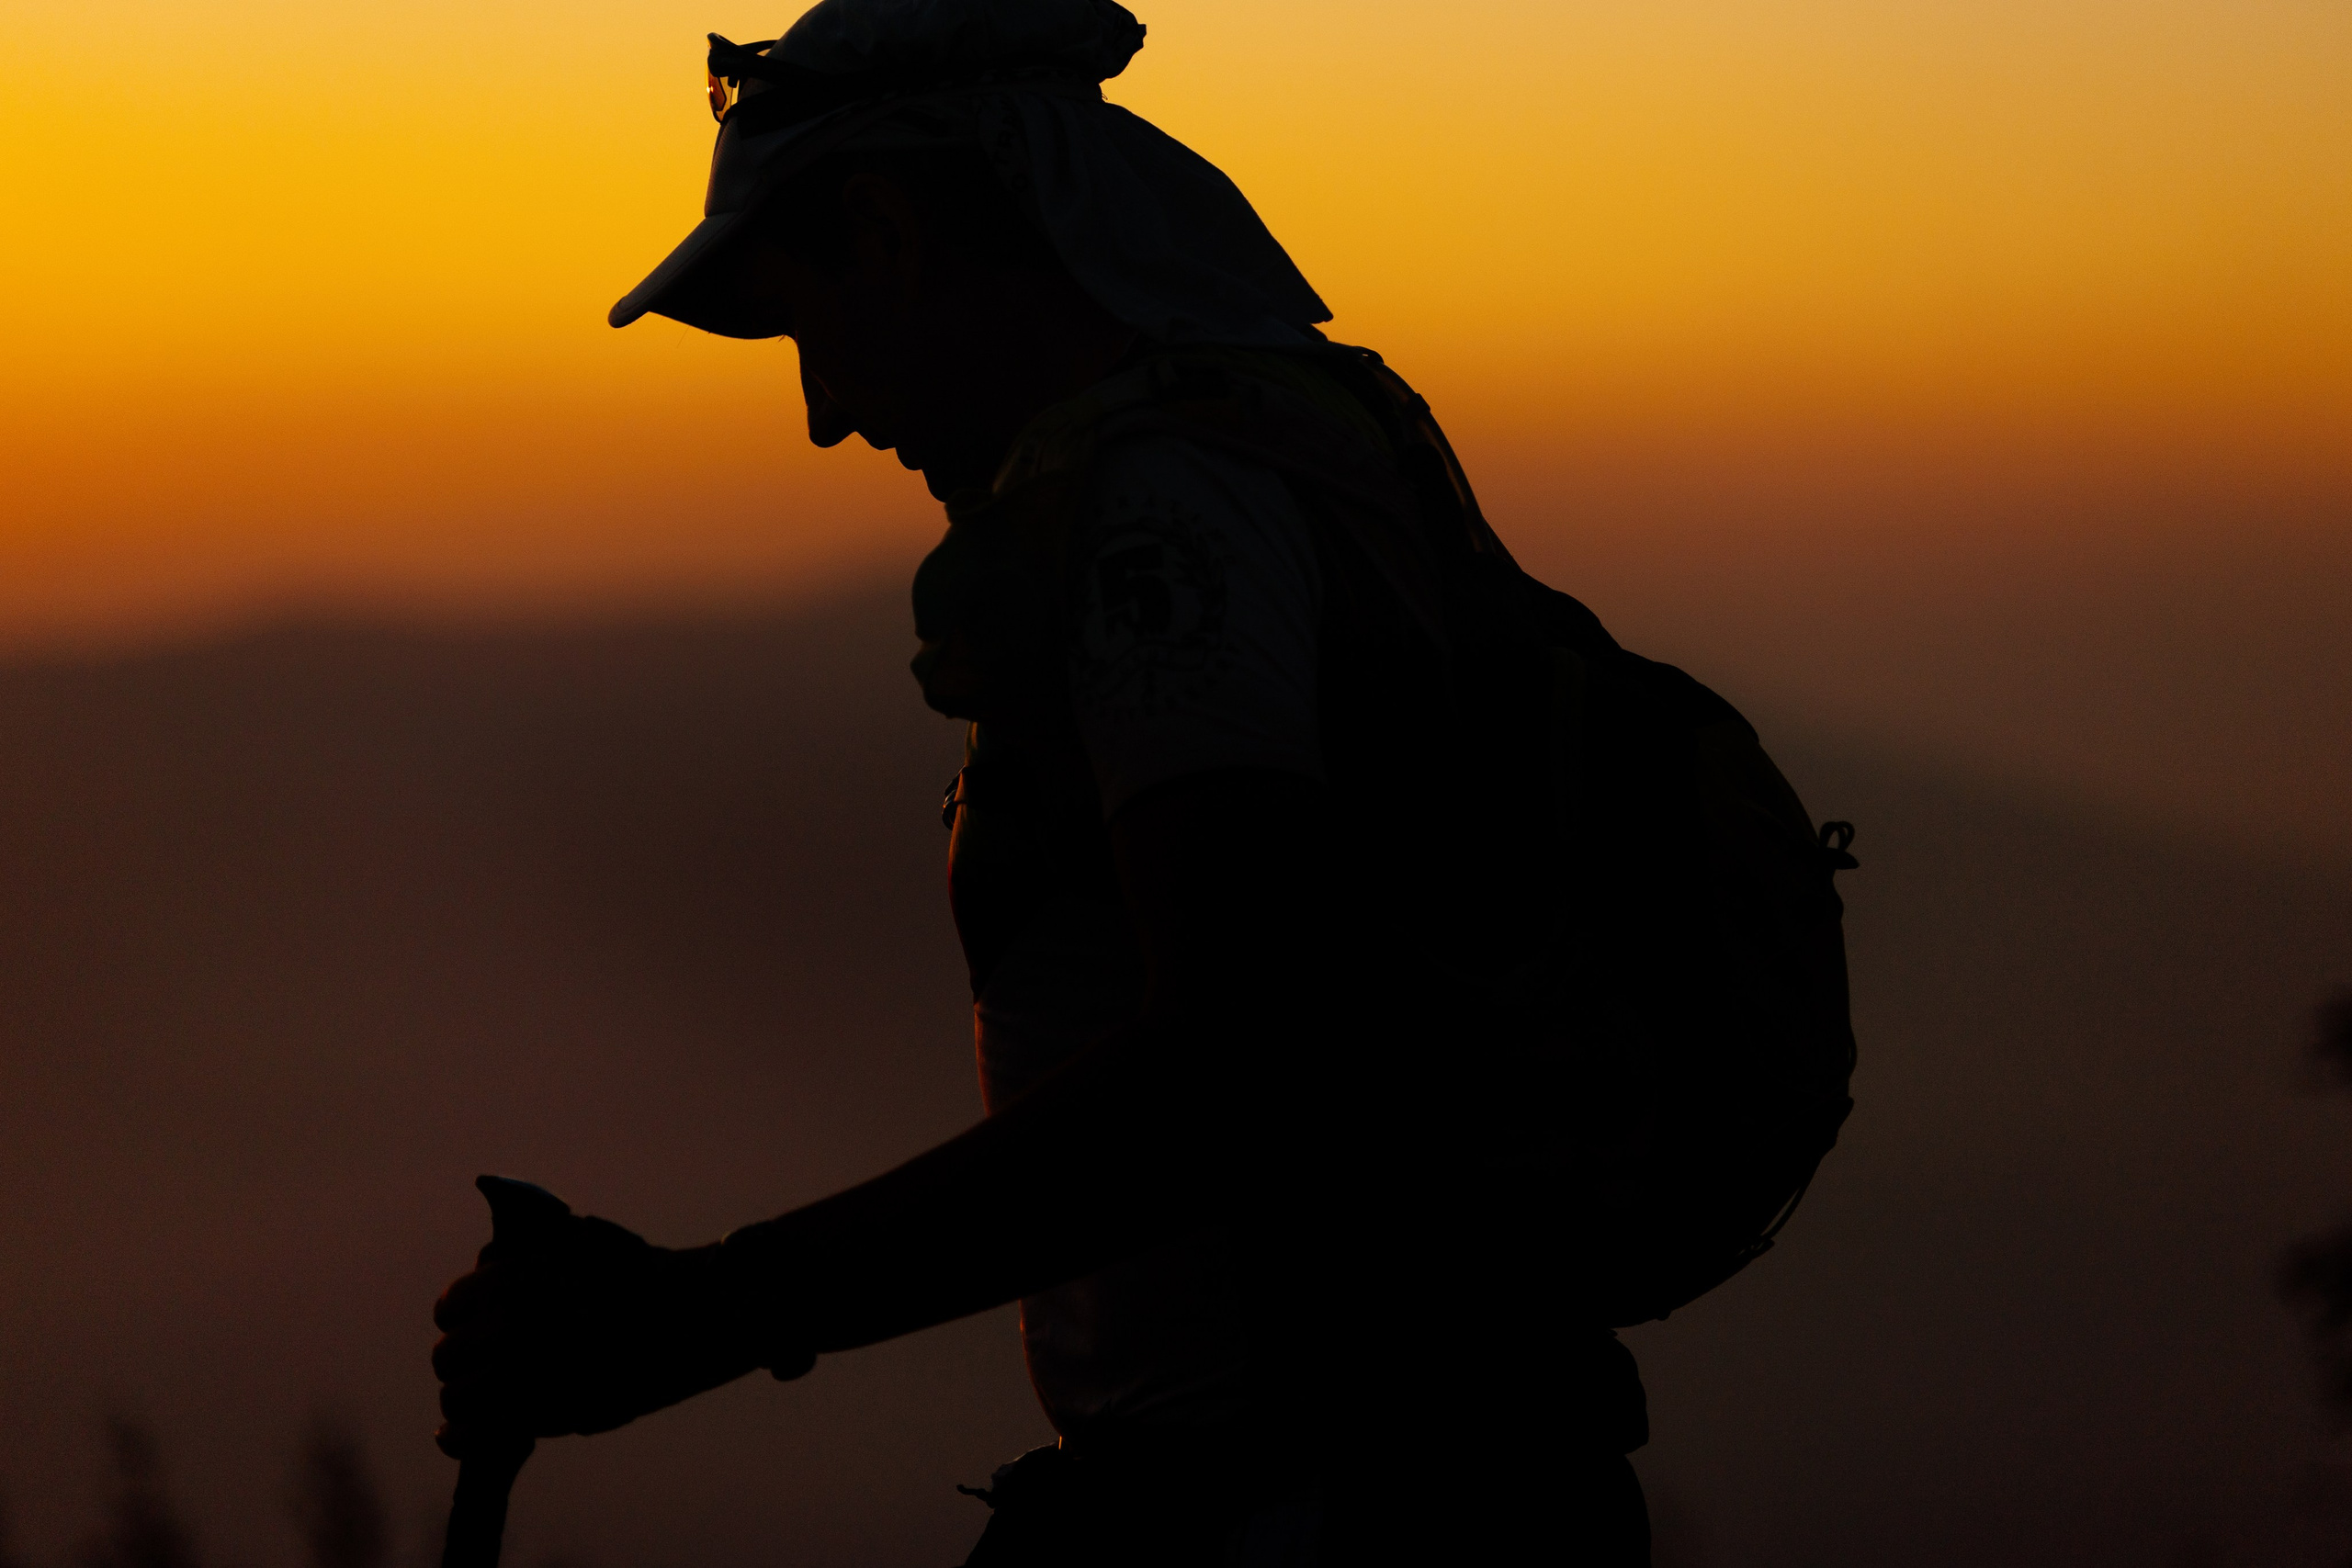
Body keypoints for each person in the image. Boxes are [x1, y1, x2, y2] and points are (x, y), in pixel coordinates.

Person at [431, 2, 1858, 1562]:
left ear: (890, 230)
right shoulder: (1310, 448)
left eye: (803, 326)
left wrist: (702, 1314)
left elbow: (1236, 1057)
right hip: (1441, 1473)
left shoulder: (1159, 523)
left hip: (1322, 1511)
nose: (827, 414)